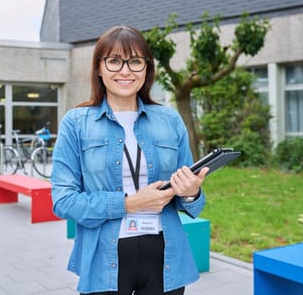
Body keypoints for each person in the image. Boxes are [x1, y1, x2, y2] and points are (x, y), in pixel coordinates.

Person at [50, 25, 209, 295]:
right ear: (99, 69)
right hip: (103, 256)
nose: (125, 71)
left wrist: (192, 192)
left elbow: (190, 201)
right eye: (114, 61)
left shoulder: (169, 120)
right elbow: (63, 200)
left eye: (135, 61)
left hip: (165, 255)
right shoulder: (76, 123)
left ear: (147, 69)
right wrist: (129, 204)